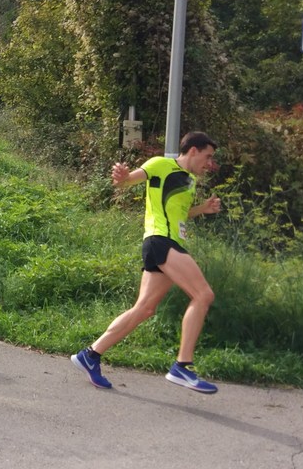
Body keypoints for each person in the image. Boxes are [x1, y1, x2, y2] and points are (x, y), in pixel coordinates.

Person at [71, 131, 222, 394]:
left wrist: (203, 209)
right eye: (207, 156)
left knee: (144, 309)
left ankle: (91, 355)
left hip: (168, 243)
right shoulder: (160, 164)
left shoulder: (190, 181)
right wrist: (122, 177)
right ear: (193, 150)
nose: (209, 163)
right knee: (203, 295)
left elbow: (181, 214)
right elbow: (128, 181)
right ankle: (182, 366)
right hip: (161, 241)